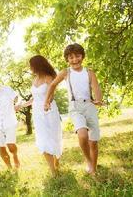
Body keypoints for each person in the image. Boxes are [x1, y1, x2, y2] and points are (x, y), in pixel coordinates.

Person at [44, 43, 103, 175]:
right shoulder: (66, 72)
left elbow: (96, 88)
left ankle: (93, 167)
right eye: (71, 57)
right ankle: (88, 161)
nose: (75, 60)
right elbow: (53, 85)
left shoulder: (89, 72)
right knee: (82, 134)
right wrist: (47, 101)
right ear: (67, 59)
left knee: (93, 142)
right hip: (75, 107)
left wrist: (98, 99)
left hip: (90, 106)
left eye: (77, 56)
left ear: (82, 56)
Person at [18, 55, 62, 176]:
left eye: (31, 65)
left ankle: (56, 162)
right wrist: (22, 105)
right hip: (37, 113)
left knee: (54, 138)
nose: (30, 68)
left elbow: (52, 94)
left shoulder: (49, 77)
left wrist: (47, 103)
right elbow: (35, 98)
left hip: (49, 111)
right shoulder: (35, 79)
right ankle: (53, 171)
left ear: (37, 65)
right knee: (43, 139)